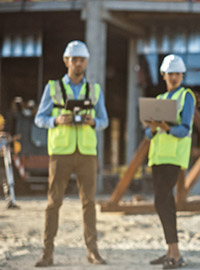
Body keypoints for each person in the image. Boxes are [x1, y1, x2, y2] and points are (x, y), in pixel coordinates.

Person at [34, 40, 109, 267]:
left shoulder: (95, 90)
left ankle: (92, 251)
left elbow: (104, 120)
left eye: (82, 60)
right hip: (61, 153)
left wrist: (93, 121)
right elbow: (39, 118)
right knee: (53, 203)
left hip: (86, 153)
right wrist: (56, 120)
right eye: (74, 59)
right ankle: (47, 253)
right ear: (67, 61)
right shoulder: (53, 88)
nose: (78, 63)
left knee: (89, 204)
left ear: (86, 62)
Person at [145, 54, 195, 269]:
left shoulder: (187, 96)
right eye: (170, 73)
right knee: (164, 202)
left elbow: (185, 129)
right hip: (157, 157)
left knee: (162, 201)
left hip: (173, 157)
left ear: (182, 75)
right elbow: (148, 135)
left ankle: (176, 253)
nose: (174, 77)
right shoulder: (160, 98)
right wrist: (153, 128)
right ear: (163, 75)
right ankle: (170, 251)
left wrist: (167, 128)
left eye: (177, 74)